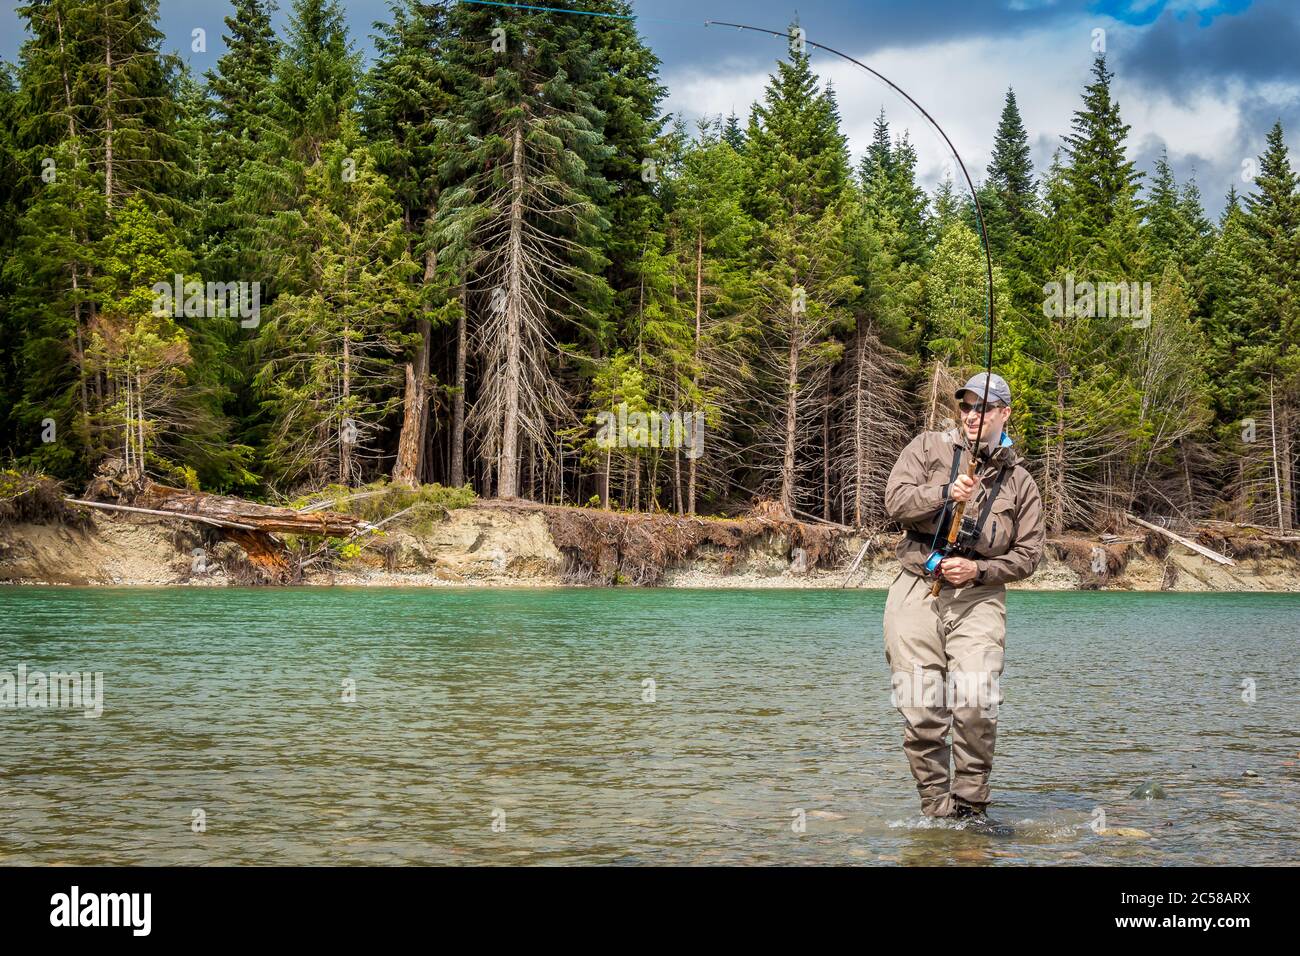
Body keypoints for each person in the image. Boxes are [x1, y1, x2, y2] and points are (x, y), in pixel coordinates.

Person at [881, 372, 1045, 820]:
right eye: (966, 406)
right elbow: (894, 503)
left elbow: (1029, 556)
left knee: (976, 700)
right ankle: (936, 811)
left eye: (984, 407)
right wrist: (943, 493)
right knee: (921, 710)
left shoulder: (1021, 482)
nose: (973, 415)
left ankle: (971, 808)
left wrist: (979, 568)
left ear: (1004, 414)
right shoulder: (927, 448)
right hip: (917, 588)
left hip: (980, 597)